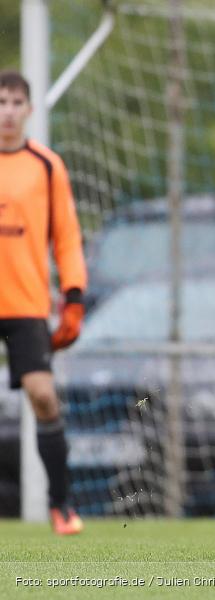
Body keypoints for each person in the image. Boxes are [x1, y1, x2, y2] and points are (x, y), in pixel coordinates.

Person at [0, 71, 87, 535]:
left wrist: (73, 297)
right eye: (1, 102)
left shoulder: (47, 165)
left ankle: (61, 505)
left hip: (25, 302)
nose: (7, 111)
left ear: (29, 109)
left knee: (43, 396)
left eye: (15, 102)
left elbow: (67, 238)